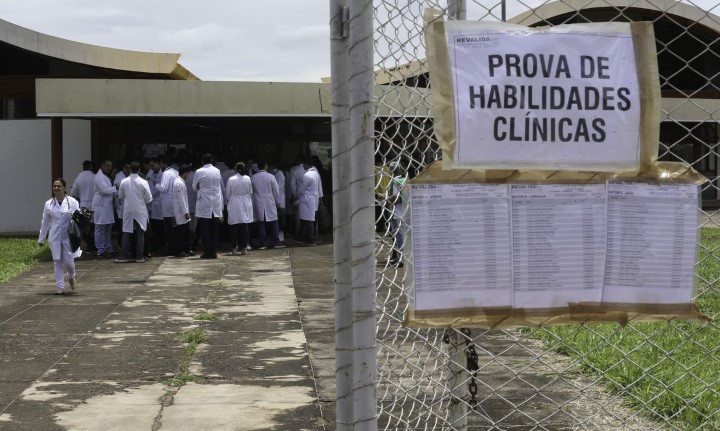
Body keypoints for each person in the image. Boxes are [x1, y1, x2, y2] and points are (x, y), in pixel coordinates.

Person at [38, 178, 81, 294]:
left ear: (64, 188)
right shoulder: (49, 204)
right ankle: (60, 286)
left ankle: (71, 276)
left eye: (59, 186)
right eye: (55, 186)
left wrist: (79, 236)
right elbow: (45, 222)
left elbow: (78, 220)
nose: (56, 188)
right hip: (55, 236)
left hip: (69, 236)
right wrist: (41, 238)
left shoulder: (72, 202)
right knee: (57, 261)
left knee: (68, 262)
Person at [115, 162, 152, 263]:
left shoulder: (124, 181)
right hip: (140, 209)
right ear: (139, 169)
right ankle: (139, 257)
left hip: (128, 210)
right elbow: (149, 198)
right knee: (140, 233)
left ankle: (122, 256)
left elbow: (120, 196)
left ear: (130, 169)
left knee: (126, 233)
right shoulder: (143, 182)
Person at [193, 153, 224, 259]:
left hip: (204, 203)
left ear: (202, 161)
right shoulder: (217, 171)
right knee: (214, 229)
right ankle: (214, 251)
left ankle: (207, 251)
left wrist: (200, 187)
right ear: (212, 161)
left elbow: (194, 186)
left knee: (205, 229)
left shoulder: (199, 171)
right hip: (215, 203)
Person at [251, 160, 282, 249]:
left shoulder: (253, 177)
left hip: (258, 201)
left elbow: (251, 192)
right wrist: (278, 201)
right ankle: (276, 241)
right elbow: (276, 191)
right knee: (274, 221)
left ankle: (263, 243)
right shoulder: (271, 176)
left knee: (261, 222)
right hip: (270, 201)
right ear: (266, 166)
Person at [226, 162, 253, 255]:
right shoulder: (247, 178)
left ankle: (234, 248)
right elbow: (250, 191)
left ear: (235, 169)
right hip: (245, 202)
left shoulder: (231, 179)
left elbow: (228, 194)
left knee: (234, 226)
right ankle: (244, 248)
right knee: (244, 225)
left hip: (234, 203)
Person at [92, 159, 117, 257]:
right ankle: (101, 250)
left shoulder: (106, 177)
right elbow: (104, 190)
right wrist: (115, 188)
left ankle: (108, 248)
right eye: (107, 166)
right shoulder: (99, 176)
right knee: (100, 229)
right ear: (102, 165)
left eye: (110, 166)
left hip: (107, 207)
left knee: (108, 229)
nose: (109, 168)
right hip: (100, 207)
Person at [69, 160, 97, 252]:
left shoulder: (79, 177)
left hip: (83, 204)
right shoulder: (95, 177)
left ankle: (87, 244)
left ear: (83, 167)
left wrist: (80, 197)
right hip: (94, 203)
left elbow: (73, 192)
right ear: (91, 167)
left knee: (85, 226)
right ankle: (93, 245)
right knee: (94, 225)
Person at [297, 156, 323, 246]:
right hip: (314, 199)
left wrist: (297, 196)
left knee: (308, 220)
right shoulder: (316, 174)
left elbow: (301, 190)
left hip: (306, 200)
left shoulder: (307, 175)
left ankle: (311, 239)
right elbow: (319, 186)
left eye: (303, 164)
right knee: (306, 219)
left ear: (306, 164)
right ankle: (300, 236)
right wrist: (320, 196)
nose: (303, 166)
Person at [157, 159, 179, 255]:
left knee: (169, 228)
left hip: (167, 204)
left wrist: (156, 185)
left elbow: (163, 188)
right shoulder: (175, 172)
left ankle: (171, 248)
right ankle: (176, 247)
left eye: (160, 164)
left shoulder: (166, 173)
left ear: (163, 163)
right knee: (174, 227)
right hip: (174, 202)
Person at [388, 160, 407, 267]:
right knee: (405, 236)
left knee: (398, 237)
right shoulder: (405, 179)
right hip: (406, 211)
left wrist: (386, 198)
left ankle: (401, 259)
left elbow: (396, 198)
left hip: (397, 212)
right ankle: (402, 257)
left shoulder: (395, 181)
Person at [172, 164, 191, 257]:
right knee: (181, 232)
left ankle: (186, 249)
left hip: (183, 211)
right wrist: (185, 212)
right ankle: (179, 251)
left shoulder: (180, 181)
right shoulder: (179, 183)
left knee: (186, 231)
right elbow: (181, 199)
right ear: (185, 172)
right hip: (181, 212)